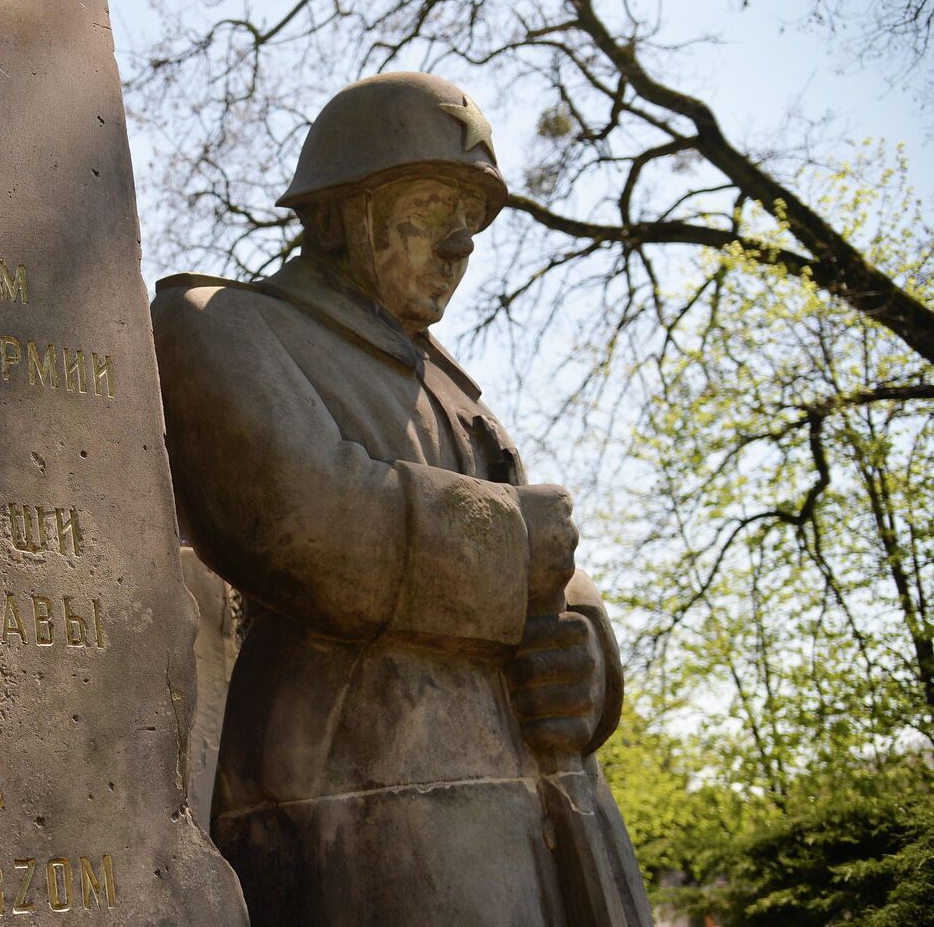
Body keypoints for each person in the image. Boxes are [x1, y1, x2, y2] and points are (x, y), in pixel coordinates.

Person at [152, 72, 652, 925]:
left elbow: (554, 565)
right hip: (360, 805)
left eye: (472, 219)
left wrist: (590, 662)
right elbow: (299, 520)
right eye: (431, 208)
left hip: (544, 820)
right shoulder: (222, 326)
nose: (460, 245)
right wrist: (513, 548)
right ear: (341, 215)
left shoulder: (457, 390)